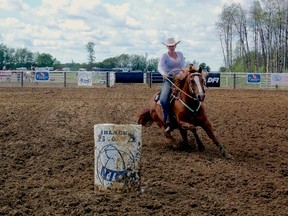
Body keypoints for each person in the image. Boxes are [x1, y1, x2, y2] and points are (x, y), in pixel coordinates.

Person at [158, 37, 185, 132]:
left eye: (172, 46)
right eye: (169, 46)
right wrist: (164, 74)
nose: (171, 47)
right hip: (169, 79)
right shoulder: (164, 56)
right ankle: (168, 119)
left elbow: (183, 66)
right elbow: (159, 67)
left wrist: (182, 74)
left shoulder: (180, 54)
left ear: (175, 45)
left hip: (180, 77)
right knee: (163, 99)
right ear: (167, 46)